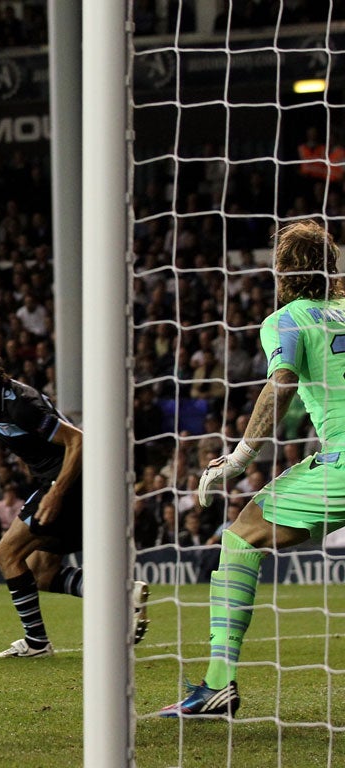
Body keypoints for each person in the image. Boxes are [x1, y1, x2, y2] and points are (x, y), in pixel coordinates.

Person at [163, 221, 345, 718]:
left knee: (241, 536)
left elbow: (281, 384)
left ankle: (219, 683)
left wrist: (241, 456)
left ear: (282, 271)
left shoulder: (289, 318)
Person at [0, 340, 149, 658]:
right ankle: (121, 595)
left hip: (73, 479)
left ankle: (37, 643)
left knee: (6, 554)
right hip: (61, 480)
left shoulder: (21, 405)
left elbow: (77, 440)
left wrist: (57, 492)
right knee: (40, 571)